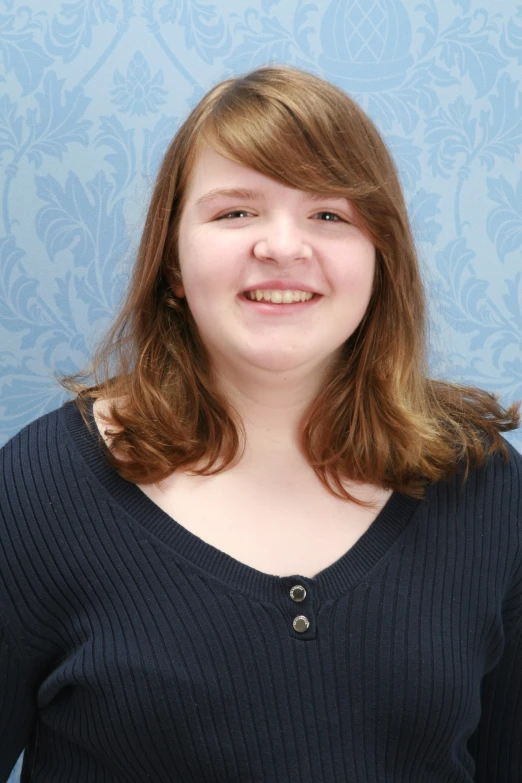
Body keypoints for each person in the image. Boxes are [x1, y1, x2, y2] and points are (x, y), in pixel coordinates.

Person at [0, 64, 520, 783]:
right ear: (174, 263)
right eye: (235, 212)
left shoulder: (484, 485)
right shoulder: (38, 491)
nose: (282, 246)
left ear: (382, 259)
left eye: (330, 215)